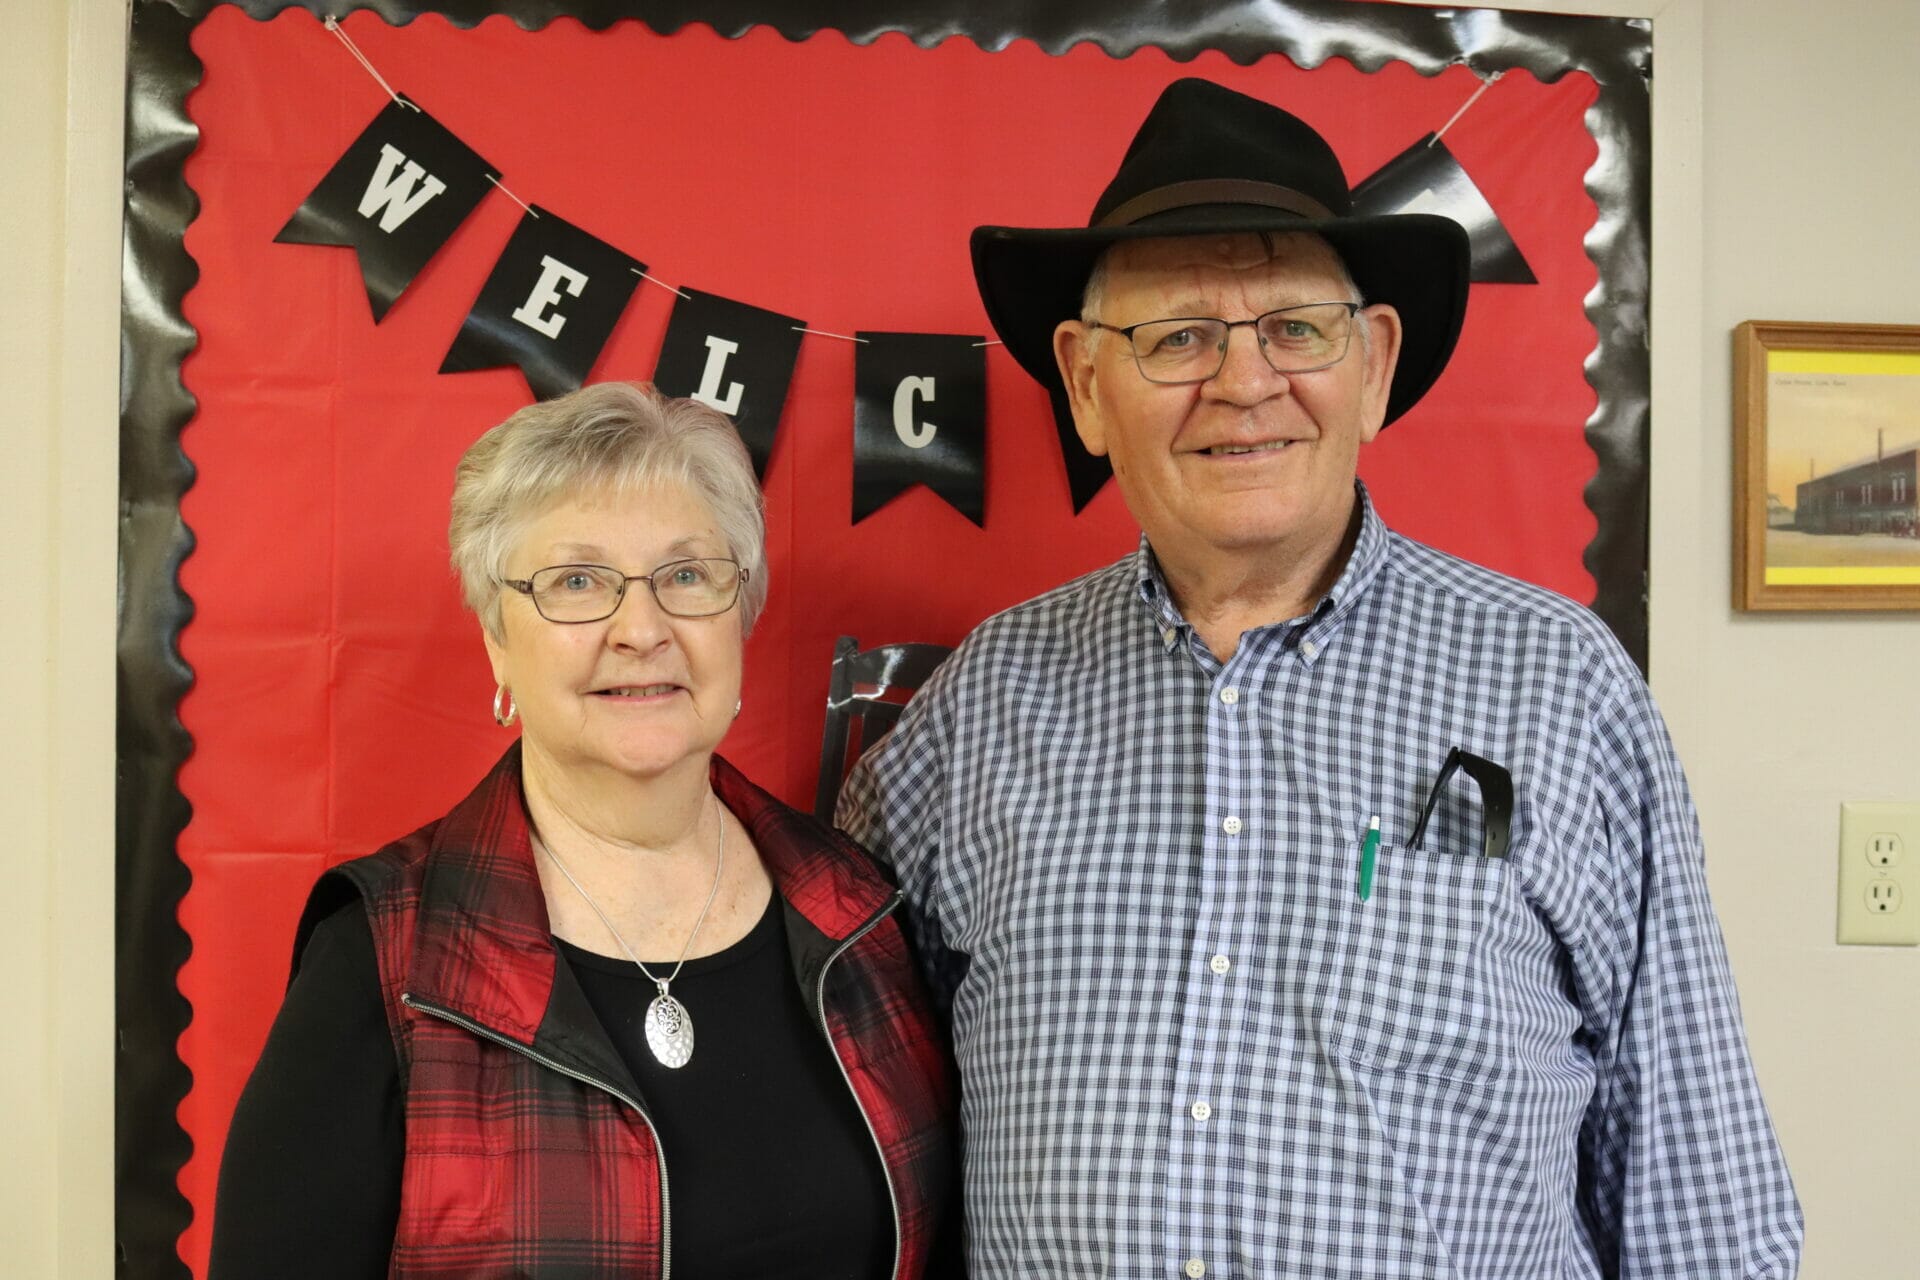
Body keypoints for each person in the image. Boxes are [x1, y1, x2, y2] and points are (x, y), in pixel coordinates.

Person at [839, 79, 1801, 1278]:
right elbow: (854, 1137)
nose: (1245, 384)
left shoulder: (1561, 687)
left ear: (1375, 363)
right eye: (1178, 336)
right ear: (1086, 384)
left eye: (1297, 327)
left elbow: (1697, 1201)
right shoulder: (975, 714)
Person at [212, 382, 954, 1279]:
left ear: (741, 612)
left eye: (686, 575)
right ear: (497, 639)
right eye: (576, 583)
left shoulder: (860, 912)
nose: (641, 629)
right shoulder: (388, 960)